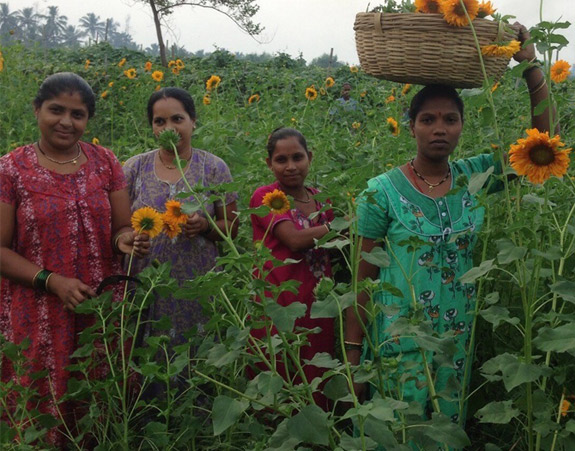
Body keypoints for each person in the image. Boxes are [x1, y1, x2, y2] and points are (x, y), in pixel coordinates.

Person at [344, 24, 554, 425]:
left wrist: (531, 69)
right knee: (400, 432)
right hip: (398, 341)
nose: (439, 128)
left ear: (462, 125)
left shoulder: (476, 177)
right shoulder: (381, 191)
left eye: (450, 119)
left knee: (444, 432)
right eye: (428, 119)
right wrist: (353, 361)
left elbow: (545, 143)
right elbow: (362, 281)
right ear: (412, 126)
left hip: (455, 344)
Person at [0, 72, 147, 448]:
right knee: (40, 407)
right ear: (36, 110)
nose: (66, 121)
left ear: (87, 120)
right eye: (56, 110)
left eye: (77, 114)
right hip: (37, 311)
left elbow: (119, 229)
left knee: (98, 403)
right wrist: (53, 281)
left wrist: (127, 239)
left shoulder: (104, 162)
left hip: (99, 308)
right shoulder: (11, 170)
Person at [123, 87, 238, 360]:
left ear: (193, 121)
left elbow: (232, 228)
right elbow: (118, 225)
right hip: (146, 283)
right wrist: (131, 238)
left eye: (177, 119)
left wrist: (206, 226)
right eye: (159, 122)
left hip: (197, 285)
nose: (168, 128)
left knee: (197, 359)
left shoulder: (213, 168)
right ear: (151, 127)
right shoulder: (134, 168)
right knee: (146, 357)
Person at [249, 127, 335, 409]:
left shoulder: (322, 198)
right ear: (269, 163)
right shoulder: (267, 196)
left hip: (318, 302)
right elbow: (295, 240)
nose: (290, 167)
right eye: (281, 160)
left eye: (297, 157)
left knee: (317, 369)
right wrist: (339, 228)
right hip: (279, 302)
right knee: (280, 373)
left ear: (309, 157)